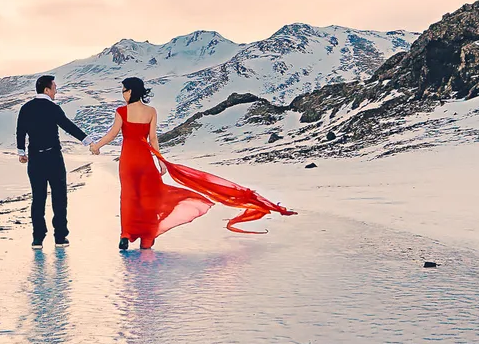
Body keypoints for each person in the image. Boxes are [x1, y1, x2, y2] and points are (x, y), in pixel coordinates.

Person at [90, 77, 295, 250]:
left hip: (128, 161)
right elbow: (153, 139)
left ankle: (125, 234)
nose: (123, 94)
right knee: (150, 197)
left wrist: (97, 146)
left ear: (131, 91)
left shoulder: (122, 111)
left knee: (128, 196)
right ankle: (147, 238)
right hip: (146, 162)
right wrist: (161, 162)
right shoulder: (151, 111)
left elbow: (113, 134)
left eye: (124, 91)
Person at [17, 75, 93, 247]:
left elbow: (20, 131)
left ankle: (38, 238)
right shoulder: (53, 108)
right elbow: (68, 126)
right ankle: (60, 237)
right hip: (53, 158)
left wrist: (21, 152)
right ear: (46, 90)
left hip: (35, 159)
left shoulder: (25, 108)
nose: (56, 91)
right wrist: (87, 141)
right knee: (59, 197)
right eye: (54, 87)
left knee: (38, 198)